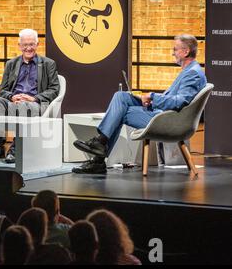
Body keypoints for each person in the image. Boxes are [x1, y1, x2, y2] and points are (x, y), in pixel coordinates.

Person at [72, 34, 207, 174]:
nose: (173, 52)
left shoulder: (193, 73)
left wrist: (153, 96)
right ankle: (100, 144)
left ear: (186, 52)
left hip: (167, 120)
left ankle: (99, 155)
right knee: (120, 97)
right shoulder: (190, 71)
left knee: (120, 111)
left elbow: (179, 102)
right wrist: (150, 98)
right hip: (162, 114)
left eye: (175, 49)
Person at [0, 28, 60, 163]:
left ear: (37, 45)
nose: (28, 48)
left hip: (35, 104)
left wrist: (35, 98)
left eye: (31, 44)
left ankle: (16, 147)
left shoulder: (48, 64)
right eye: (25, 45)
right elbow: (3, 90)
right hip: (14, 101)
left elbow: (54, 89)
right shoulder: (11, 64)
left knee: (24, 106)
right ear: (20, 46)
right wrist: (12, 97)